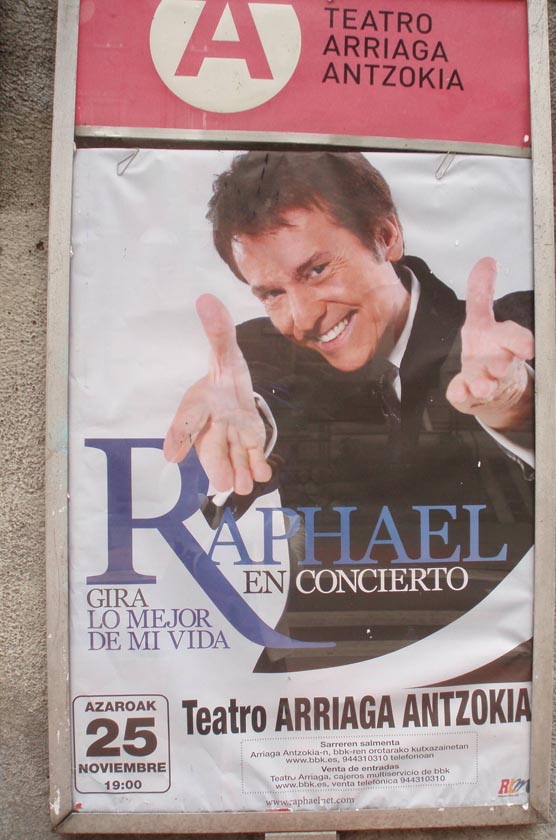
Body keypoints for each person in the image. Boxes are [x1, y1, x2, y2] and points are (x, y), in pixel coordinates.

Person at [164, 151, 535, 674]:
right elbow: (264, 402)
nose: (302, 318)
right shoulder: (257, 357)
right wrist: (247, 432)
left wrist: (518, 404)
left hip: (490, 686)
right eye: (272, 293)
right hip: (320, 692)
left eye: (317, 270)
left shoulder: (511, 329)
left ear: (386, 236)